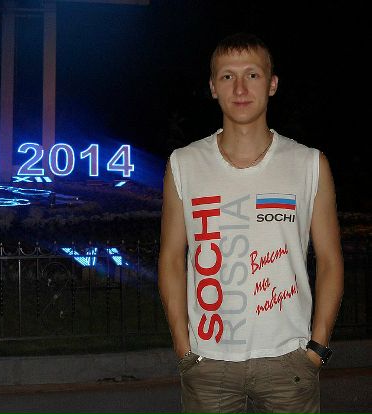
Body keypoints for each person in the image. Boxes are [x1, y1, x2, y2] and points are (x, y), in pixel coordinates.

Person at [157, 32, 344, 414]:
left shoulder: (309, 164)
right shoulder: (184, 164)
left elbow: (330, 260)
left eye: (252, 75)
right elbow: (172, 258)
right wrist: (183, 347)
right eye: (228, 76)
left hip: (289, 362)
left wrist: (317, 348)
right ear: (213, 87)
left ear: (272, 84)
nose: (240, 88)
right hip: (209, 361)